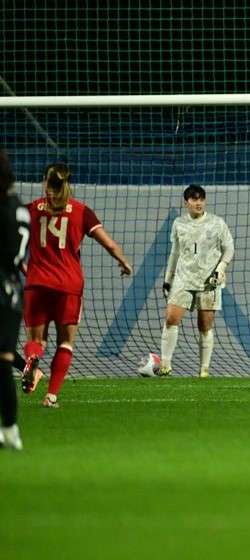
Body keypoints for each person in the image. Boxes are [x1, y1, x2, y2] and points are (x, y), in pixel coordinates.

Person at [22, 163, 133, 408]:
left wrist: (22, 267)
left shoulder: (30, 209)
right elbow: (110, 245)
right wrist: (123, 261)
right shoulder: (81, 211)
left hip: (36, 284)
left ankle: (32, 360)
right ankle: (51, 396)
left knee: (37, 342)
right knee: (65, 342)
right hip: (69, 286)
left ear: (44, 182)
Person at [159, 185, 235, 378]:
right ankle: (165, 365)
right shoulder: (179, 224)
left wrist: (220, 269)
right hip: (183, 279)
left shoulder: (217, 223)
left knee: (205, 325)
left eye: (201, 199)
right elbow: (175, 252)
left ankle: (204, 369)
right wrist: (168, 279)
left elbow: (229, 249)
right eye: (194, 199)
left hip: (208, 281)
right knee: (171, 319)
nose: (198, 203)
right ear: (186, 203)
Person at [0, 151, 27, 448]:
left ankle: (9, 429)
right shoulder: (20, 208)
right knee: (3, 361)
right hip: (12, 291)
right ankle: (9, 429)